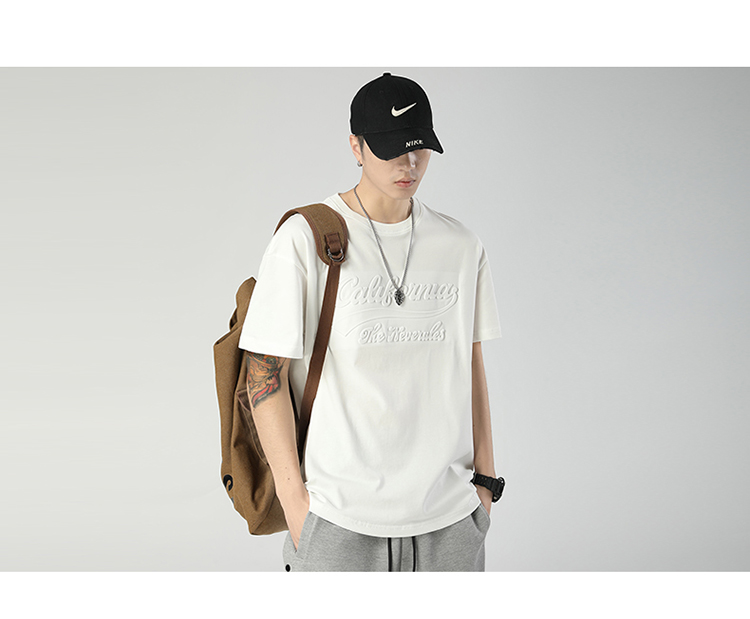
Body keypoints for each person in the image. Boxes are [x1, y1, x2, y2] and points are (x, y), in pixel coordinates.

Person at [238, 72, 504, 571]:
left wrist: (485, 486)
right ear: (356, 147)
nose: (409, 164)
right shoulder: (304, 239)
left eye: (419, 149)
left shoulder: (461, 246)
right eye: (391, 150)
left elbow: (470, 364)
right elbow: (263, 376)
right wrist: (298, 509)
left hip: (451, 521)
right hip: (337, 521)